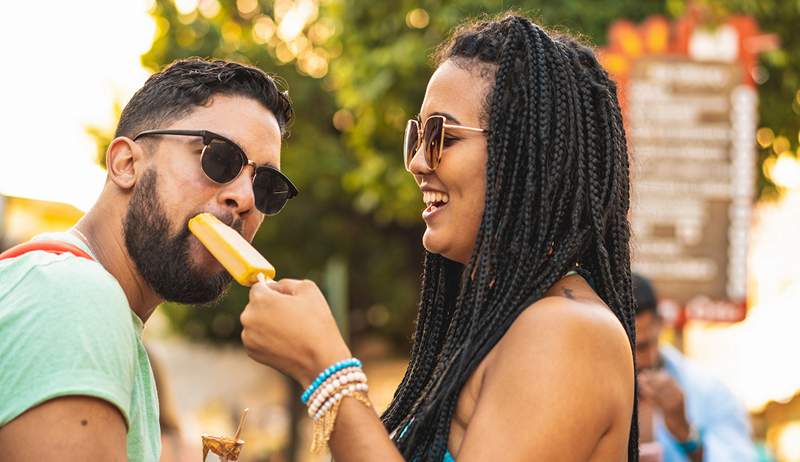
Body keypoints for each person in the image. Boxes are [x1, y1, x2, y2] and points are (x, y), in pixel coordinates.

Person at [238, 13, 638, 461]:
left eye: (441, 136)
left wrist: (326, 369)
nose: (417, 163)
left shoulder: (570, 333)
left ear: (527, 156)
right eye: (417, 135)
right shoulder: (505, 323)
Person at [0, 58, 296, 460]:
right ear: (126, 164)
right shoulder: (75, 297)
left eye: (265, 186)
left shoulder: (73, 295)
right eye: (219, 158)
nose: (244, 199)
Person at [633, 273, 758, 461]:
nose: (636, 360)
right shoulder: (589, 391)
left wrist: (684, 431)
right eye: (624, 347)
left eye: (642, 347)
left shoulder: (707, 389)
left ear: (660, 324)